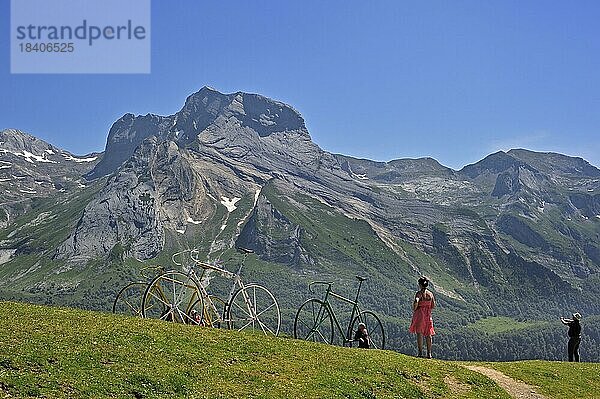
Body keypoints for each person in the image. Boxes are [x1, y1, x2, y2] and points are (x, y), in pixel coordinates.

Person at [409, 276, 436, 358]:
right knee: (428, 334)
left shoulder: (419, 293)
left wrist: (415, 306)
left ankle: (420, 353)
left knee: (419, 333)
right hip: (428, 315)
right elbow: (433, 305)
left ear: (420, 285)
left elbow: (416, 300)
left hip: (420, 314)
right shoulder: (430, 294)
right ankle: (429, 353)